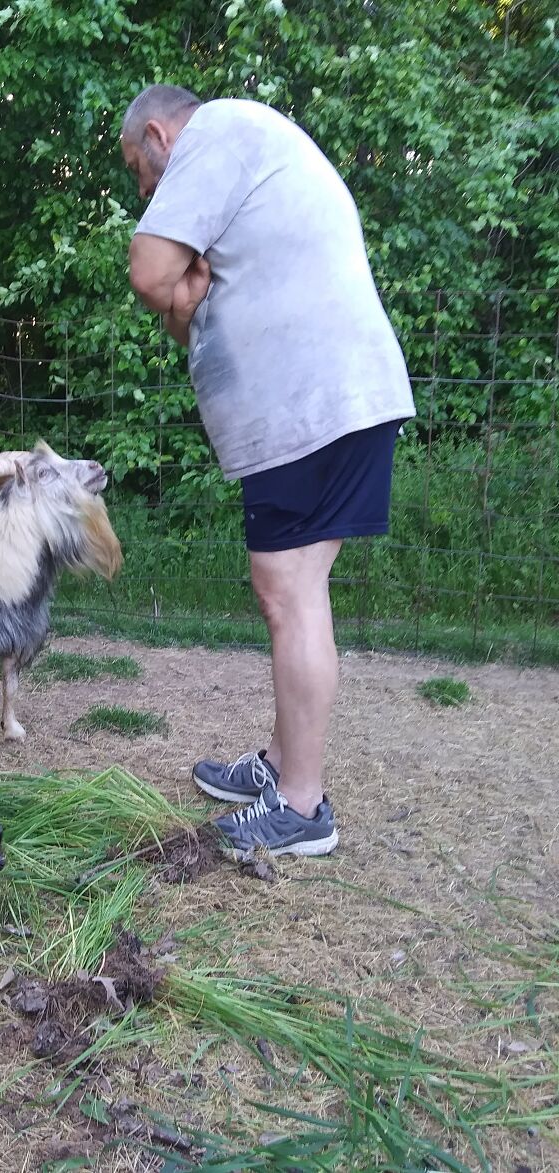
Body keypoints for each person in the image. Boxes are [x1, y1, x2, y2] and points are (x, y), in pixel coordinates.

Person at [121, 85, 415, 859]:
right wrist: (187, 297)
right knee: (290, 589)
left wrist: (180, 296)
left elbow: (153, 272)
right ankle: (284, 767)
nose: (147, 193)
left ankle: (301, 804)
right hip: (325, 402)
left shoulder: (214, 131)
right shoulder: (249, 142)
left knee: (288, 594)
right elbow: (179, 290)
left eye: (140, 174)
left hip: (311, 405)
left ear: (158, 133)